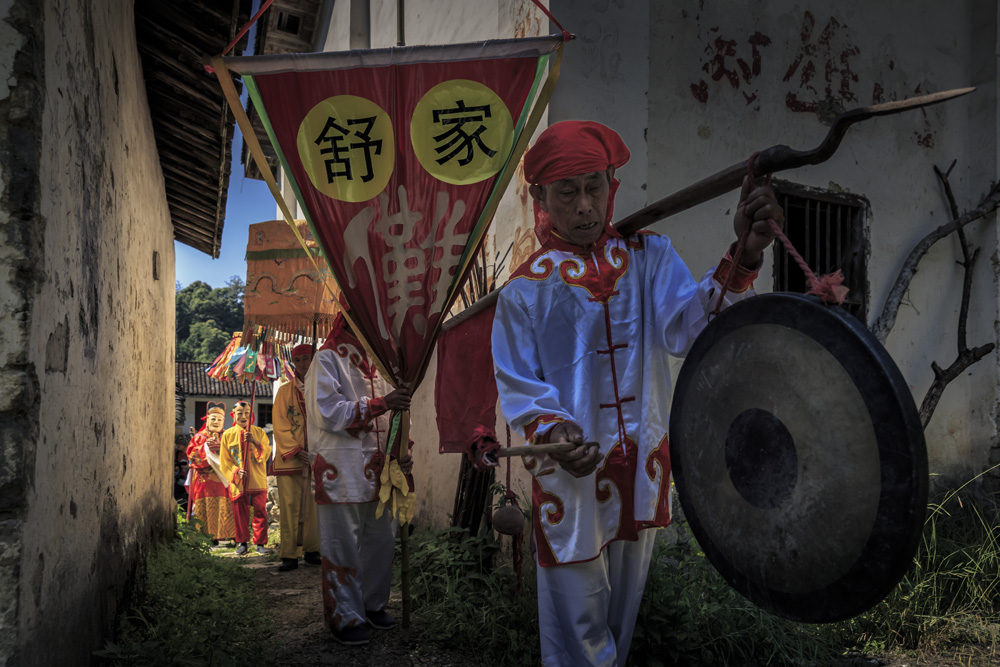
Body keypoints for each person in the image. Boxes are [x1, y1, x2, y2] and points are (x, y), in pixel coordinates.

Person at [491, 120, 784, 667]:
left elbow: (688, 327)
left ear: (612, 186)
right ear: (539, 199)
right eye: (567, 192)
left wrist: (743, 254)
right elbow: (519, 385)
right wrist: (554, 431)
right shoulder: (524, 292)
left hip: (641, 470)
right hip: (570, 478)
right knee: (578, 628)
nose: (584, 206)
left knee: (621, 620)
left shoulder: (648, 258)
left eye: (594, 188)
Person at [304, 311, 412, 646]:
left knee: (382, 540)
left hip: (380, 469)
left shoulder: (384, 363)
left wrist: (402, 450)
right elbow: (328, 412)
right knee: (342, 545)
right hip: (340, 468)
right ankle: (344, 617)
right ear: (350, 321)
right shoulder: (325, 359)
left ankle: (373, 604)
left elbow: (399, 413)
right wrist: (381, 403)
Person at [272, 343, 321, 571]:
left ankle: (312, 550)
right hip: (290, 459)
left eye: (307, 358)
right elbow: (280, 424)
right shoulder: (284, 391)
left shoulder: (324, 388)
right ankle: (289, 555)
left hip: (316, 457)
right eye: (298, 360)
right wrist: (297, 450)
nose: (303, 364)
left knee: (314, 506)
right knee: (290, 506)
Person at [219, 400, 273, 555]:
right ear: (233, 415)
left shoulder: (259, 433)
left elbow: (266, 453)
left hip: (257, 479)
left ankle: (260, 543)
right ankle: (242, 542)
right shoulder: (227, 435)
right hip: (238, 482)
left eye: (246, 413)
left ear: (251, 415)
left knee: (260, 511)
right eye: (239, 413)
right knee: (239, 513)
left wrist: (255, 442)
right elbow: (225, 461)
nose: (243, 416)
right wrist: (236, 471)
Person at [185, 401, 236, 543]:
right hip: (205, 480)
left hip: (223, 480)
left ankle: (228, 535)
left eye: (219, 420)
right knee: (206, 507)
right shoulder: (199, 438)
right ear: (207, 420)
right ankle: (204, 536)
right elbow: (192, 457)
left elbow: (236, 455)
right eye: (213, 419)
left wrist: (223, 447)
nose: (216, 422)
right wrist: (205, 448)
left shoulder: (227, 436)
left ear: (223, 422)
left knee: (225, 506)